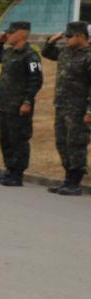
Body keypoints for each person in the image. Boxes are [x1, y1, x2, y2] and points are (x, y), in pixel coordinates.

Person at [0, 21, 43, 187]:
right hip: (5, 104)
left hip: (19, 106)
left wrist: (27, 101)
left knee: (18, 139)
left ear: (21, 34)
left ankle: (17, 173)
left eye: (11, 33)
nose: (8, 35)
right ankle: (9, 169)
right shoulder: (10, 52)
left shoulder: (30, 55)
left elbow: (36, 81)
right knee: (5, 139)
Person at [41, 21, 91, 195]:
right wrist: (51, 40)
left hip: (78, 108)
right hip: (62, 106)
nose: (66, 39)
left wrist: (89, 111)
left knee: (76, 144)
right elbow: (46, 52)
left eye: (69, 36)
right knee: (62, 142)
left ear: (82, 36)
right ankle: (68, 178)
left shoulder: (88, 56)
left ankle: (75, 182)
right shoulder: (65, 52)